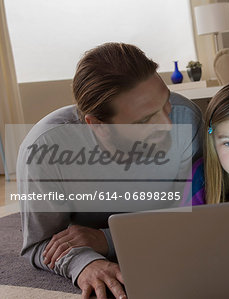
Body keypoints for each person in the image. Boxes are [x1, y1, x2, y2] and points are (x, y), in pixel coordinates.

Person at [17, 42, 203, 299]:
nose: (168, 125)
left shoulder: (186, 119)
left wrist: (107, 239)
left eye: (166, 102)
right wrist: (83, 263)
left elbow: (191, 219)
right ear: (97, 125)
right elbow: (40, 243)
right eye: (145, 120)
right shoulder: (44, 148)